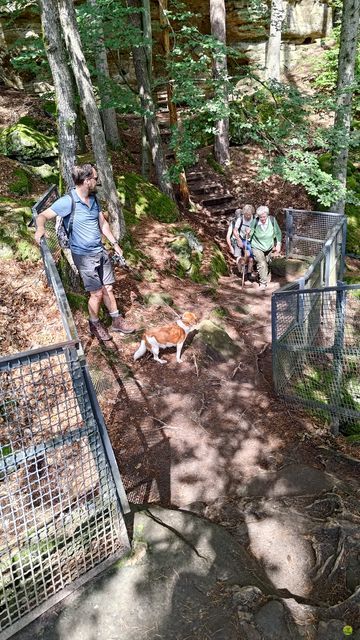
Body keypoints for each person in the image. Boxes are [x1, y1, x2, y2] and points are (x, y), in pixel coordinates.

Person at [34, 163, 135, 341]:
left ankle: (116, 320)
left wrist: (115, 244)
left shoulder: (94, 199)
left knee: (108, 288)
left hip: (100, 251)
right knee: (96, 293)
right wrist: (40, 229)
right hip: (83, 255)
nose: (97, 181)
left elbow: (102, 223)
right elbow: (42, 215)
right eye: (95, 178)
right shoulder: (68, 201)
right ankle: (94, 323)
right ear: (87, 180)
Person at [250, 205, 282, 290]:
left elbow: (278, 233)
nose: (263, 219)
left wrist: (278, 244)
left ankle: (263, 274)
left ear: (267, 215)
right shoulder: (255, 222)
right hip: (257, 246)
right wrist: (248, 233)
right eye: (260, 217)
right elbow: (250, 234)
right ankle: (263, 283)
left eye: (264, 217)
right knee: (262, 263)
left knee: (267, 262)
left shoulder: (272, 220)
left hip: (269, 246)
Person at [226, 204, 255, 278]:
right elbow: (233, 232)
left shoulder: (254, 219)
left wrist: (250, 233)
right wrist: (235, 243)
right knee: (239, 256)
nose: (248, 216)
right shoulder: (238, 220)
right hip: (238, 239)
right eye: (246, 215)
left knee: (249, 256)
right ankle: (241, 272)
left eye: (249, 215)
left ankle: (248, 273)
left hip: (248, 240)